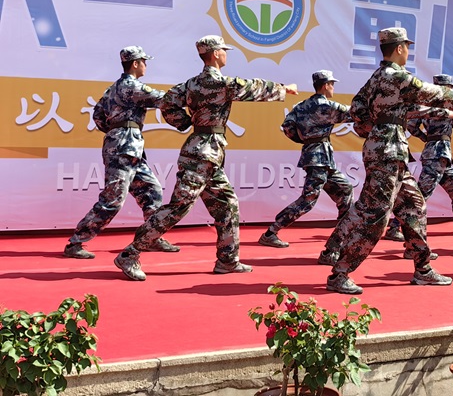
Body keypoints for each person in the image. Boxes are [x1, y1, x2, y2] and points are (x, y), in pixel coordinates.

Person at [114, 35, 298, 281]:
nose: (226, 54)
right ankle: (130, 254)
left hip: (207, 154)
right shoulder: (219, 83)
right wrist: (283, 88)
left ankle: (227, 261)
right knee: (179, 207)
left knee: (227, 205)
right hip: (203, 154)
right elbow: (253, 87)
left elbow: (168, 103)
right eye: (224, 50)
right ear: (215, 53)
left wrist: (184, 122)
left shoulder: (190, 84)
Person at [325, 27, 453, 295]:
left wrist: (371, 127)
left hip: (391, 152)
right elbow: (426, 91)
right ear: (400, 48)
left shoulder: (377, 78)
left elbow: (358, 108)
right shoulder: (397, 75)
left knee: (414, 206)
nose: (408, 52)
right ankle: (340, 272)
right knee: (376, 215)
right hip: (387, 153)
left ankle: (423, 269)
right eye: (407, 47)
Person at [64, 46, 178, 259]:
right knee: (113, 199)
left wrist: (113, 131)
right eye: (144, 61)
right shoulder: (132, 86)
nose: (146, 65)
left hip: (128, 147)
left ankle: (151, 238)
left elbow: (98, 115)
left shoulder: (112, 89)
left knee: (152, 190)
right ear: (135, 63)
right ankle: (75, 242)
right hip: (124, 147)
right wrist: (194, 94)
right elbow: (164, 99)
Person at [382, 74, 453, 241]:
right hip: (436, 155)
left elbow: (412, 126)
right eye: (449, 88)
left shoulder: (426, 105)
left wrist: (425, 137)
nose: (451, 91)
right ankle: (394, 227)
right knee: (421, 195)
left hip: (440, 155)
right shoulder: (446, 103)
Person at [258, 70, 353, 249]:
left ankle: (343, 233)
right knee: (308, 200)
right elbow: (354, 113)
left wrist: (304, 140)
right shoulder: (327, 106)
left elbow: (287, 126)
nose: (333, 87)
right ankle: (271, 233)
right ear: (325, 85)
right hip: (319, 159)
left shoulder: (302, 105)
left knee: (345, 189)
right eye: (332, 84)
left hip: (317, 157)